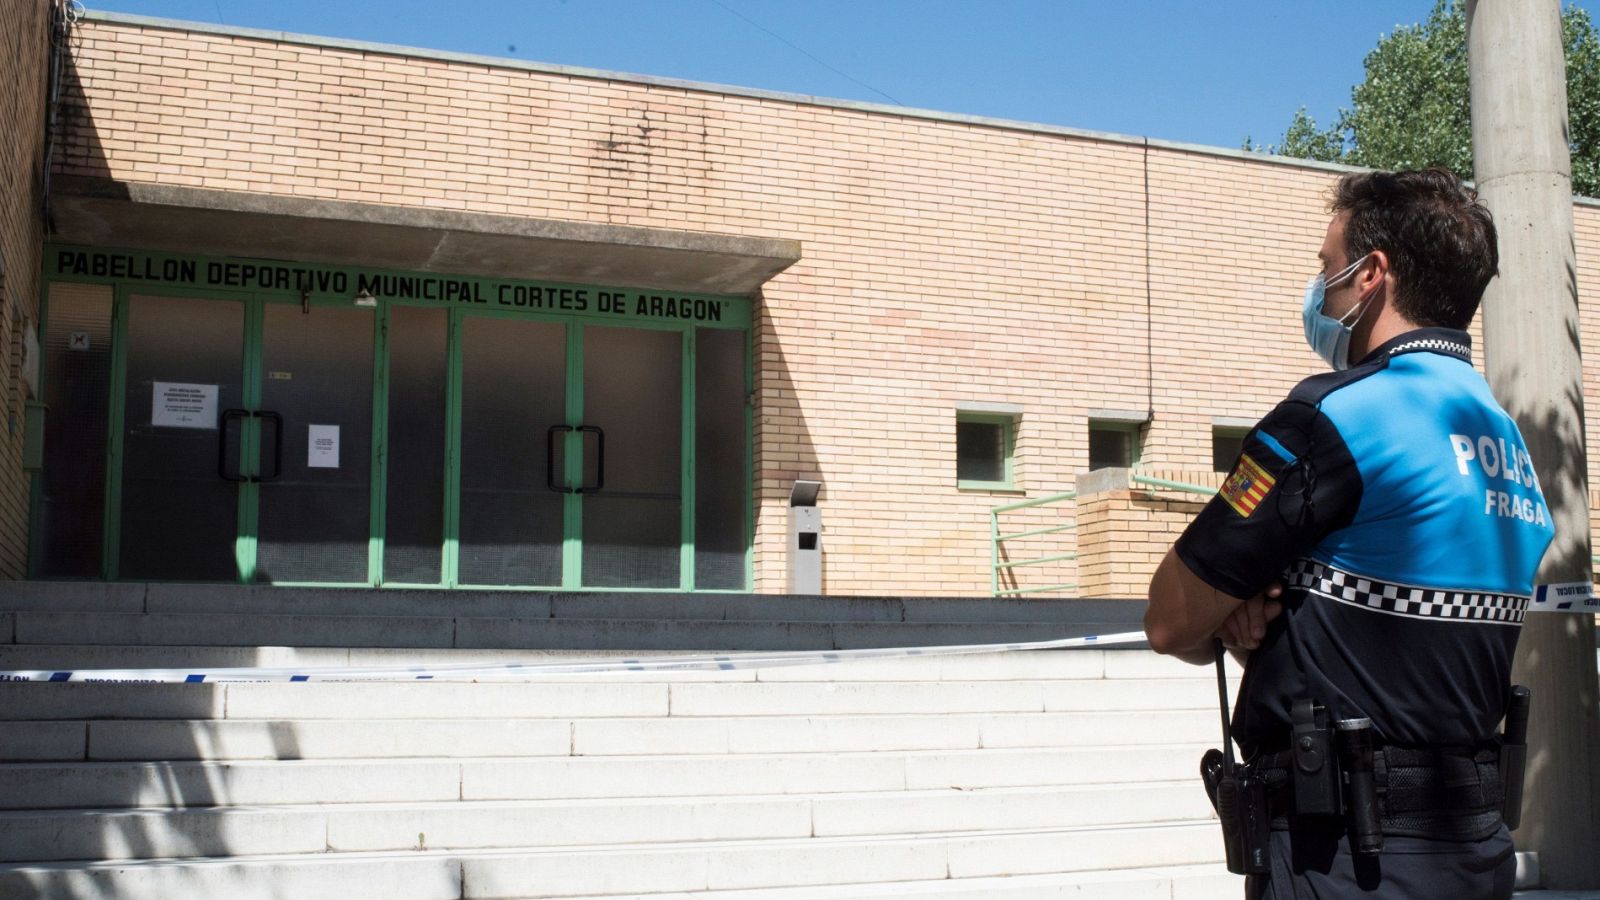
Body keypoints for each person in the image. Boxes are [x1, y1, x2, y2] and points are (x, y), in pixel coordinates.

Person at [1143, 168, 1554, 899]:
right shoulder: (1506, 443)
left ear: (1372, 276)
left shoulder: (1335, 417)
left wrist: (1237, 617)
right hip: (1471, 851)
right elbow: (1385, 639)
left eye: (1327, 267)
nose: (1319, 286)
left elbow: (1172, 617)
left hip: (1343, 858)